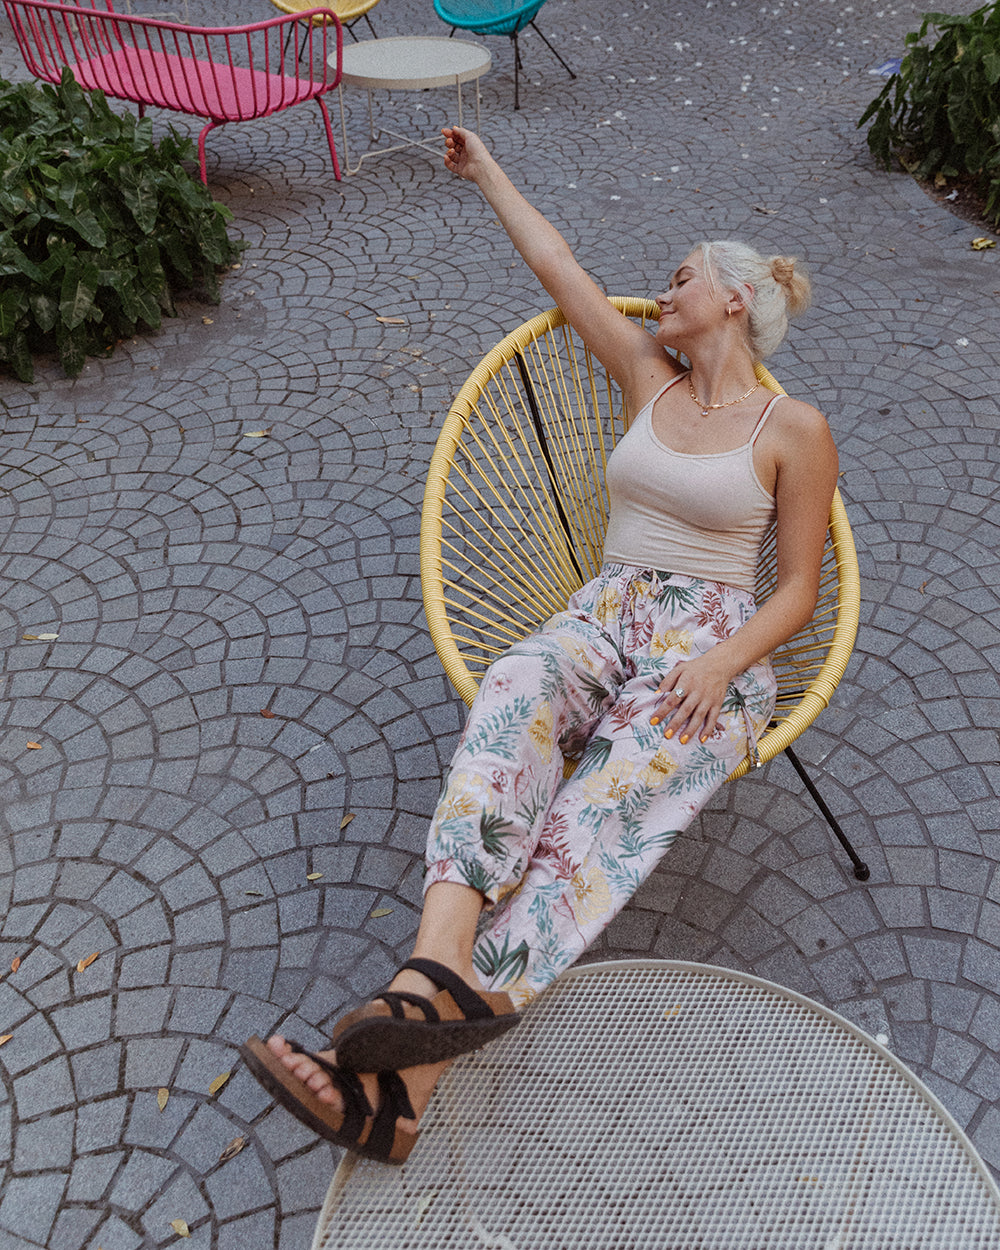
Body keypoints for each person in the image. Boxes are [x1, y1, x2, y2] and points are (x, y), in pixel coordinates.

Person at [241, 127, 839, 1165]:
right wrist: (485, 172)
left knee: (591, 814)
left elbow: (795, 590)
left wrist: (719, 663)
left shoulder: (795, 428)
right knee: (516, 683)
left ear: (735, 298)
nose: (664, 290)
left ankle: (405, 1076)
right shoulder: (647, 376)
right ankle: (429, 979)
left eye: (683, 277)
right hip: (603, 614)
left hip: (710, 650)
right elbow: (558, 263)